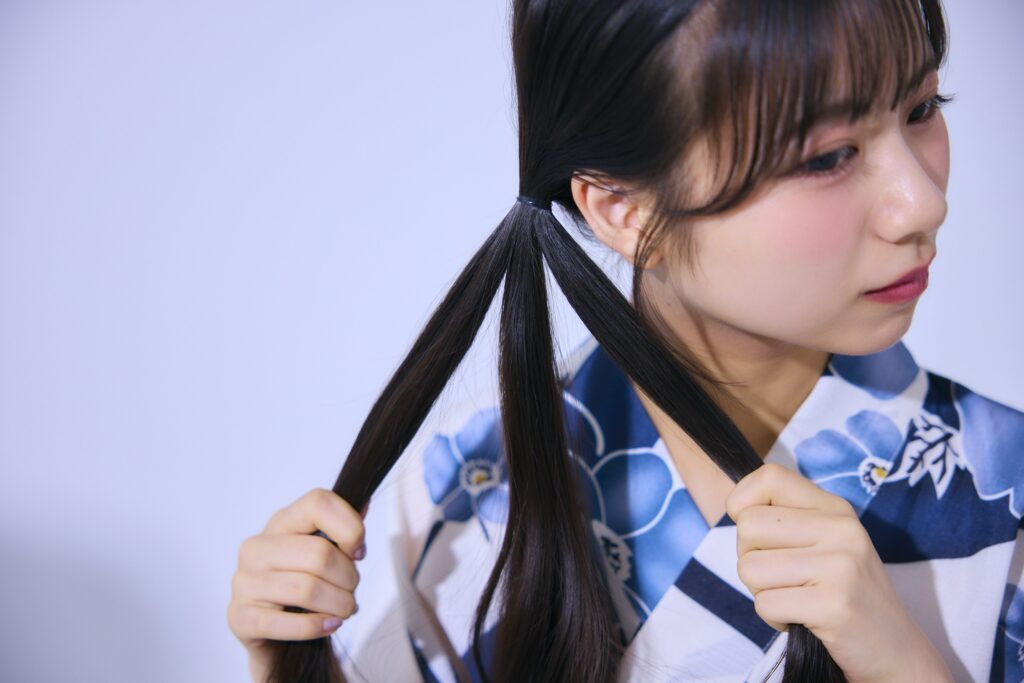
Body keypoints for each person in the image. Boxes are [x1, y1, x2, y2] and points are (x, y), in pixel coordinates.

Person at [226, 0, 1024, 681]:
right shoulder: (461, 500)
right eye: (830, 156)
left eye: (923, 109)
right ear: (624, 210)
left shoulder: (1005, 493)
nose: (922, 202)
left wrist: (902, 662)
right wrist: (292, 660)